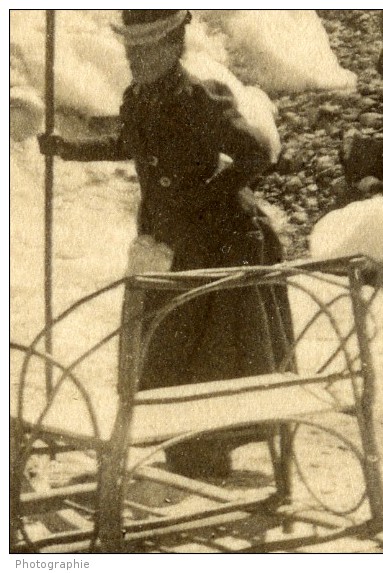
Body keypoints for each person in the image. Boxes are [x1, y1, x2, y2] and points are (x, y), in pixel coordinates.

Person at [38, 9, 293, 479]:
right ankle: (179, 443)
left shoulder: (201, 97)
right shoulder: (137, 98)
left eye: (147, 48)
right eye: (131, 49)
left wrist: (204, 194)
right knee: (166, 343)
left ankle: (209, 449)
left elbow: (257, 152)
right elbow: (131, 143)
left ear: (176, 45)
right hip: (167, 238)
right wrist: (71, 149)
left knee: (216, 350)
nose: (136, 59)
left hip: (222, 240)